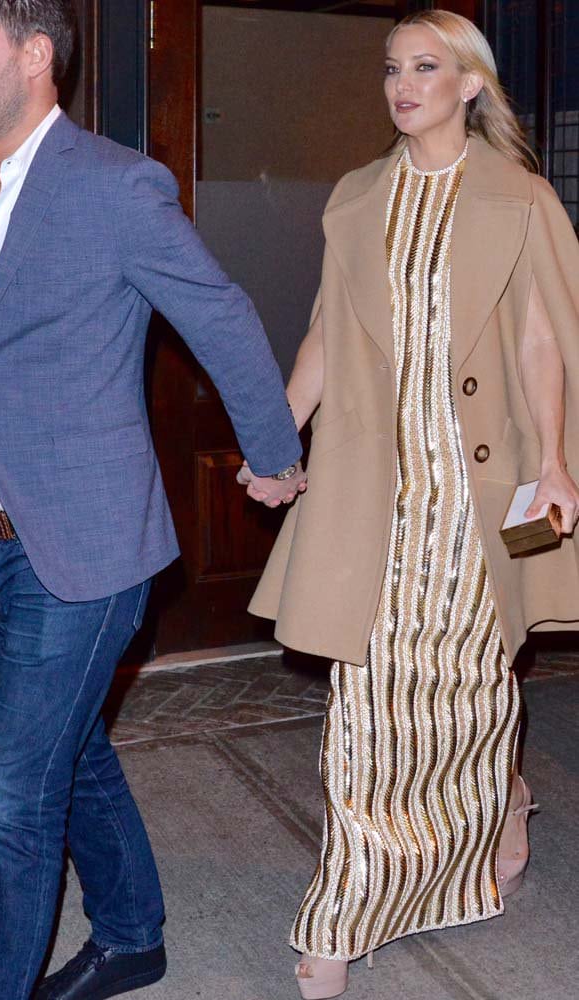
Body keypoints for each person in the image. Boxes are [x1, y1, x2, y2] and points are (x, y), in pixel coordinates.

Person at [0, 1, 307, 998]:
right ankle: (131, 934)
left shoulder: (117, 187)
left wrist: (273, 450)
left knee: (13, 795)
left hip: (87, 547)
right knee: (66, 749)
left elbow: (221, 316)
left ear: (34, 56)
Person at [243, 10, 579, 999]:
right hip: (372, 500)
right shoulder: (358, 197)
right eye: (392, 68)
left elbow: (540, 343)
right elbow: (318, 341)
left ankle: (498, 805)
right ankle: (343, 913)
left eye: (425, 68)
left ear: (470, 83)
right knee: (367, 714)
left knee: (469, 699)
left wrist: (555, 463)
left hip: (481, 499)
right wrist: (274, 442)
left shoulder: (517, 197)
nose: (402, 85)